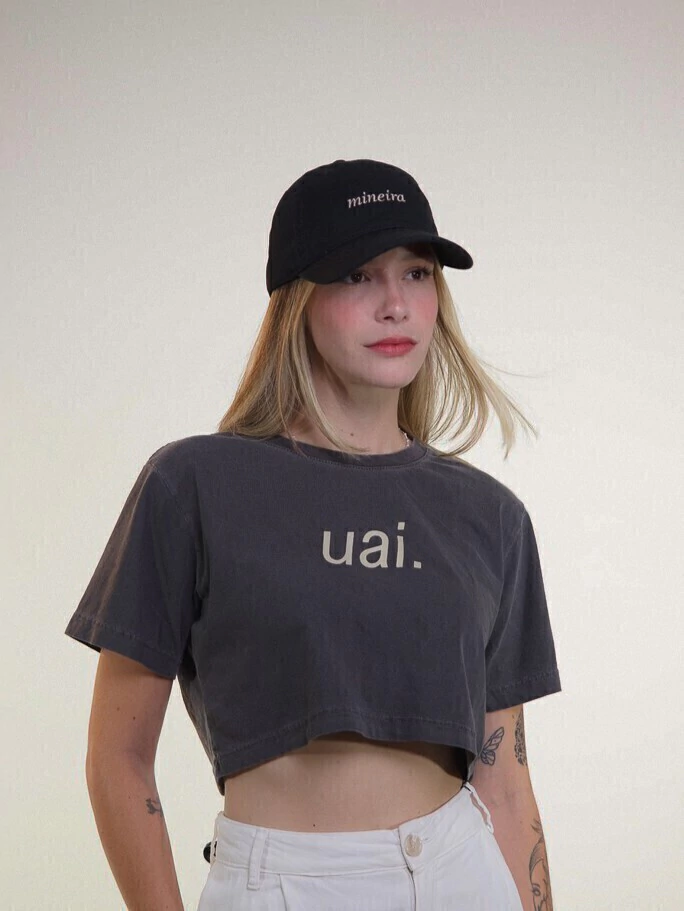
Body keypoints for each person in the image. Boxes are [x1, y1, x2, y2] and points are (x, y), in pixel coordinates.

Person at [65, 158, 562, 910]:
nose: (396, 305)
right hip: (280, 882)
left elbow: (507, 785)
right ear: (297, 298)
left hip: (462, 873)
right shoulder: (194, 484)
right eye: (359, 275)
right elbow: (117, 758)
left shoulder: (488, 515)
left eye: (418, 273)